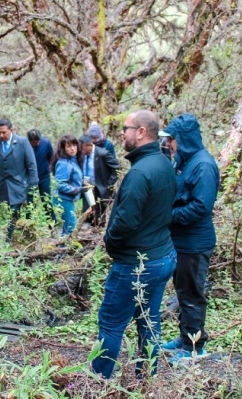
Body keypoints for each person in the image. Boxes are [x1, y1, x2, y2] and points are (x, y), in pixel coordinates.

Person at [91, 110, 177, 379]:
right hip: (162, 257)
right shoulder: (164, 164)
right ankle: (146, 380)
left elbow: (126, 222)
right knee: (149, 323)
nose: (121, 133)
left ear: (141, 132)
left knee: (111, 323)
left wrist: (109, 241)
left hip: (137, 263)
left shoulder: (141, 173)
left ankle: (95, 383)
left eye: (126, 128)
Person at [158, 114, 220, 364]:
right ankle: (185, 339)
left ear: (182, 139)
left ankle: (195, 347)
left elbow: (200, 208)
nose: (169, 144)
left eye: (172, 139)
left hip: (195, 243)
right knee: (183, 291)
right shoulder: (184, 161)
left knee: (192, 293)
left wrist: (167, 216)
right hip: (181, 242)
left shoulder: (203, 165)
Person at [0, 118, 38, 240]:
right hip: (3, 185)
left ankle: (9, 237)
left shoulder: (22, 142)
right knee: (7, 210)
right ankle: (13, 234)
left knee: (14, 210)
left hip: (20, 184)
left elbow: (31, 165)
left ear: (11, 130)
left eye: (4, 132)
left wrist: (33, 185)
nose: (1, 135)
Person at [78, 134, 120, 225]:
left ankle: (98, 231)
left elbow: (116, 168)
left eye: (83, 148)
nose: (81, 150)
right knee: (87, 212)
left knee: (99, 214)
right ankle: (87, 233)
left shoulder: (102, 154)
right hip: (87, 187)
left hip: (100, 187)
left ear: (89, 145)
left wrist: (109, 184)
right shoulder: (81, 155)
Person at [50, 135, 84, 236]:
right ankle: (61, 251)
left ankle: (63, 249)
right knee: (70, 228)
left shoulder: (73, 160)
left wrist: (82, 182)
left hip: (68, 199)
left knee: (69, 227)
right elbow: (60, 184)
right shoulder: (64, 163)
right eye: (69, 146)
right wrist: (78, 189)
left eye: (74, 145)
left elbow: (72, 178)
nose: (73, 148)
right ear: (63, 148)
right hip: (63, 199)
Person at [27, 129, 56, 221]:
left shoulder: (46, 143)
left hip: (44, 177)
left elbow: (52, 158)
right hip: (30, 179)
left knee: (46, 200)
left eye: (39, 141)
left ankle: (52, 223)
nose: (38, 143)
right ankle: (29, 225)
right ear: (30, 140)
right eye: (35, 142)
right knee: (30, 202)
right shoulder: (24, 146)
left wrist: (49, 169)